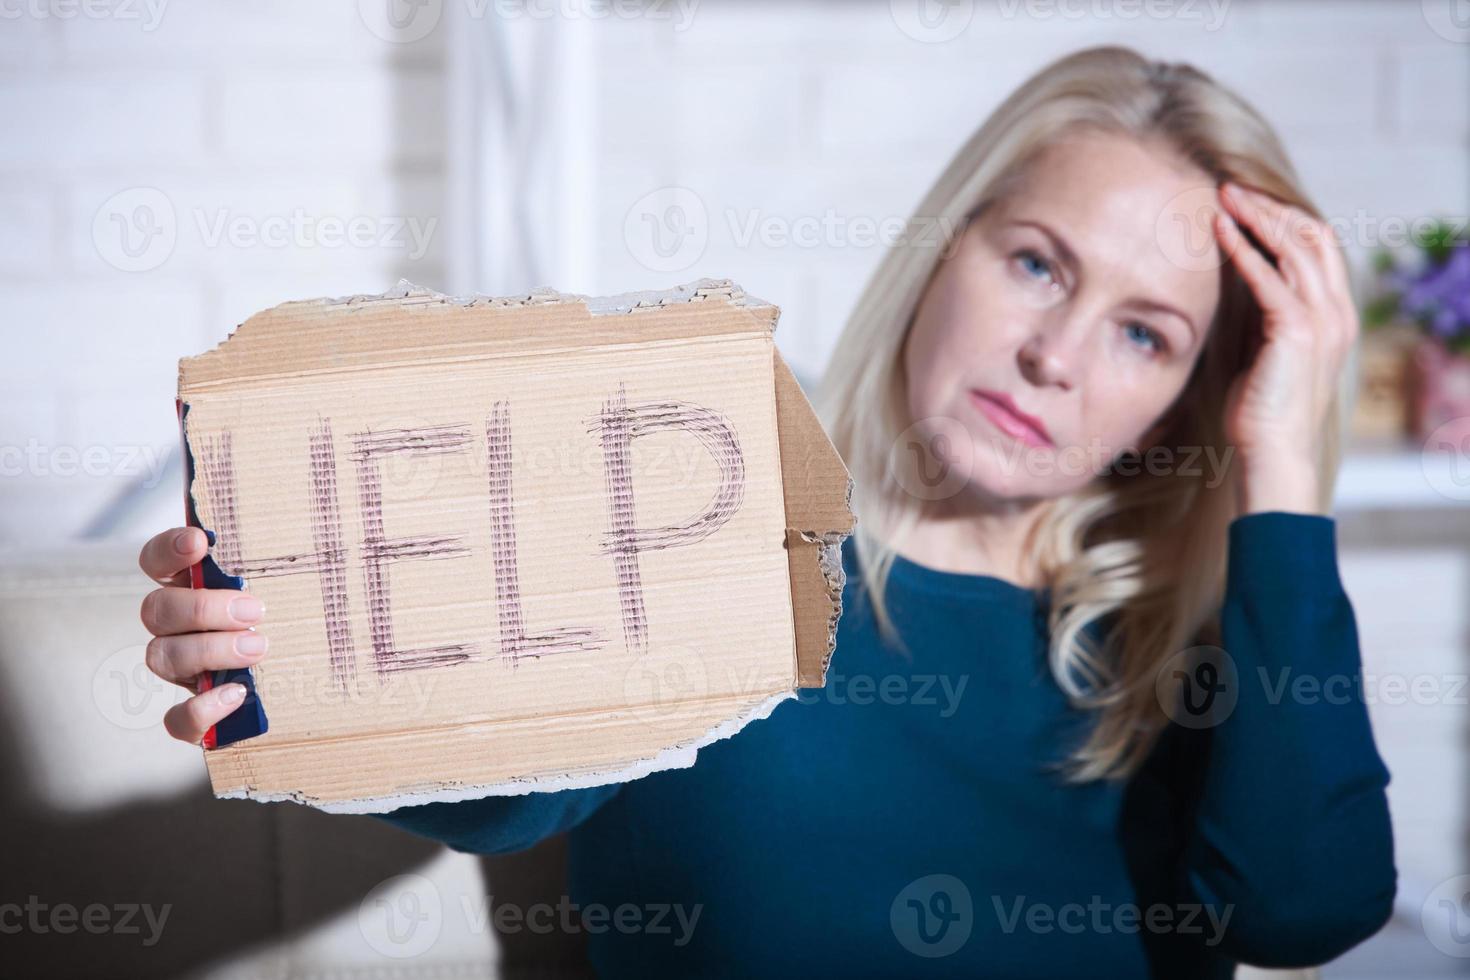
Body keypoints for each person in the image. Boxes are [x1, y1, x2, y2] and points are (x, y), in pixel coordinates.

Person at [136, 46, 1396, 976]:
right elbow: (496, 792)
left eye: (1144, 332)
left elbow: (1301, 911)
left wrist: (1282, 459)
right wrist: (273, 657)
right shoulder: (704, 530)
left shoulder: (1202, 656)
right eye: (1034, 263)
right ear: (941, 249)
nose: (1057, 353)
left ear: (1190, 397)